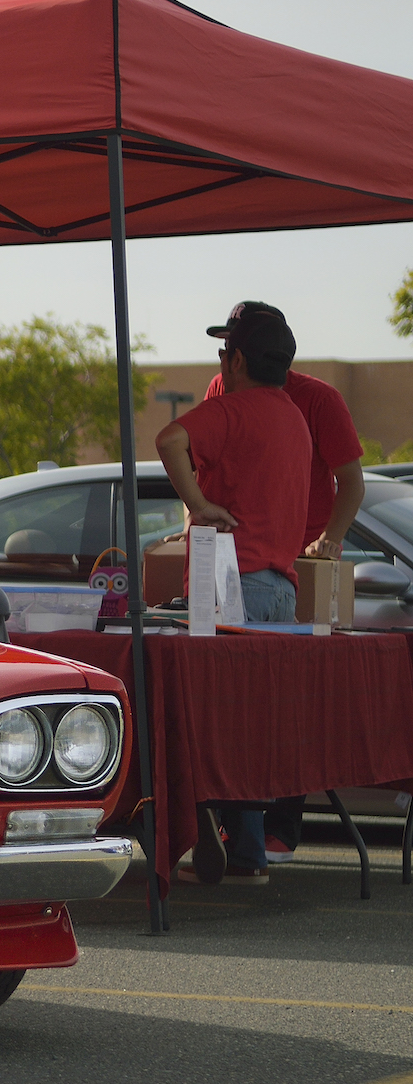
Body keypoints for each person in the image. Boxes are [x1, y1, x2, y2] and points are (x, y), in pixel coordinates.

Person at [201, 301, 365, 864]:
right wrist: (193, 535)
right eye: (221, 348)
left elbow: (351, 482)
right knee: (232, 703)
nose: (224, 358)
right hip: (228, 563)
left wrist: (330, 541)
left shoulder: (317, 398)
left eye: (230, 347)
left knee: (282, 704)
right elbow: (206, 472)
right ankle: (233, 834)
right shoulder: (220, 388)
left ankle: (278, 829)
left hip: (292, 565)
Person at [155, 307, 311, 886]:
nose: (221, 363)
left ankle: (217, 839)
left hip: (229, 582)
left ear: (238, 360)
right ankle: (247, 848)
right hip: (280, 591)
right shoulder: (295, 418)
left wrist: (197, 505)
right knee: (251, 725)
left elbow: (170, 438)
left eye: (224, 354)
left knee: (208, 720)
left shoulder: (230, 410)